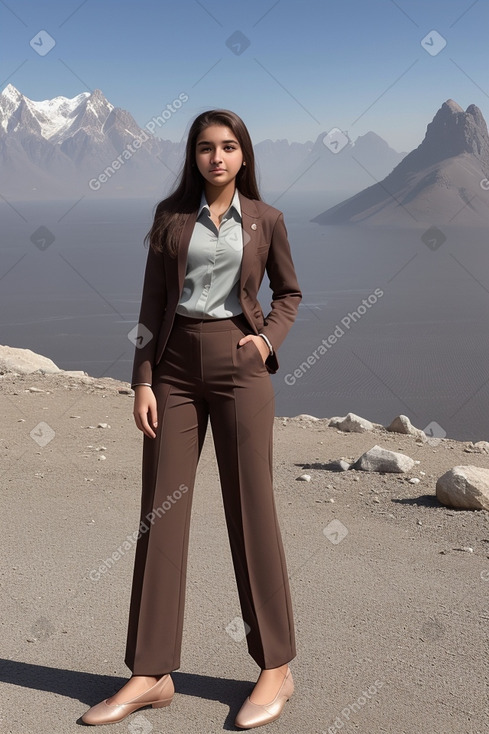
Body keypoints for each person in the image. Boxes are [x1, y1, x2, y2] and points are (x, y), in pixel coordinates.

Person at [81, 109, 302, 729]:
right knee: (161, 511)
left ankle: (275, 664)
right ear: (194, 157)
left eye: (229, 147)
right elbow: (152, 303)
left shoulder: (267, 221)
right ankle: (151, 673)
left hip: (240, 363)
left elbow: (289, 293)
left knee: (251, 508)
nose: (218, 158)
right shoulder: (171, 222)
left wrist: (265, 343)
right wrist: (143, 379)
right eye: (206, 148)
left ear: (244, 154)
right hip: (174, 368)